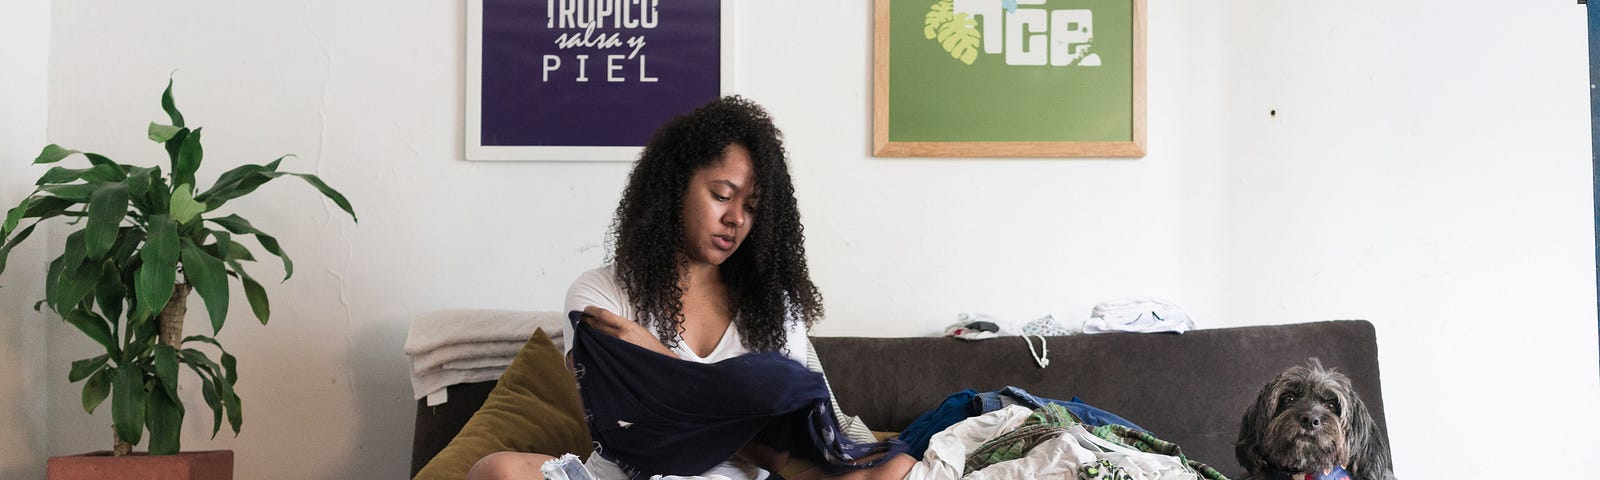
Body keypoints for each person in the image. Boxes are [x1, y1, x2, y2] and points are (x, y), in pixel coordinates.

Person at [467, 97, 915, 480]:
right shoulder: (601, 291)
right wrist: (743, 409)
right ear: (674, 189)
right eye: (722, 195)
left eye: (751, 207)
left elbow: (786, 435)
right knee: (498, 470)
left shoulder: (776, 309)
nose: (736, 218)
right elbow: (632, 421)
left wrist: (661, 364)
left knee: (896, 468)